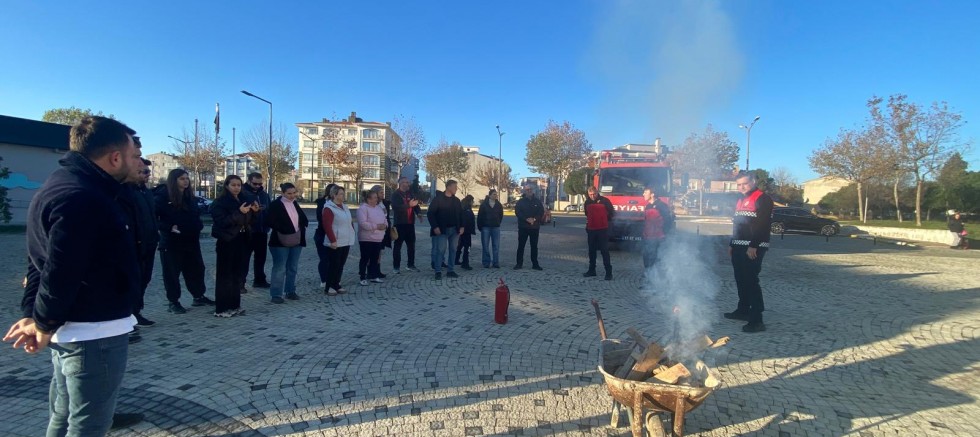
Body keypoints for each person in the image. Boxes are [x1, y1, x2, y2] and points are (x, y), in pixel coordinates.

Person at [3, 116, 143, 436]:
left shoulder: (63, 185)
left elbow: (38, 260)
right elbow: (59, 271)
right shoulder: (82, 197)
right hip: (92, 334)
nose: (139, 162)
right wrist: (42, 322)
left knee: (64, 414)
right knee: (88, 425)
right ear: (115, 158)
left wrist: (34, 316)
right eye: (134, 155)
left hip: (78, 330)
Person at [155, 168, 214, 314]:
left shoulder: (190, 198)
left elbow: (195, 215)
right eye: (182, 179)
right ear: (174, 180)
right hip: (172, 242)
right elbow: (154, 219)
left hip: (191, 241)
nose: (186, 181)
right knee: (172, 273)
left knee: (196, 269)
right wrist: (169, 227)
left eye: (187, 178)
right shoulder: (163, 197)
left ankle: (198, 296)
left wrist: (198, 225)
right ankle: (173, 302)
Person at [724, 172, 774, 333]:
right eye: (739, 185)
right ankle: (743, 310)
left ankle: (757, 319)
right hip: (738, 246)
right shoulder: (741, 200)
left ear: (753, 182)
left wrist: (754, 245)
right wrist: (732, 243)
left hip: (753, 247)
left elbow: (763, 224)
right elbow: (738, 225)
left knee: (751, 281)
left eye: (744, 183)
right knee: (740, 279)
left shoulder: (763, 199)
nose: (741, 187)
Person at [210, 175, 258, 317]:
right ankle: (222, 308)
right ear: (227, 186)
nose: (237, 188)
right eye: (233, 185)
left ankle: (235, 305)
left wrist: (254, 212)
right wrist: (239, 212)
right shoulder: (220, 202)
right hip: (227, 240)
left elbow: (249, 221)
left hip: (242, 239)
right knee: (225, 275)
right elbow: (222, 221)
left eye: (239, 185)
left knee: (237, 274)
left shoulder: (243, 200)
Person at [267, 183, 308, 303]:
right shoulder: (276, 204)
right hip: (280, 241)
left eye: (294, 193)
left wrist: (302, 226)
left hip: (296, 240)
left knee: (292, 267)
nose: (292, 195)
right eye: (289, 193)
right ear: (283, 193)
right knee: (279, 268)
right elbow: (270, 221)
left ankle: (290, 291)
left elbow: (301, 218)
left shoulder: (294, 203)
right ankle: (276, 294)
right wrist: (285, 229)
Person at [322, 185, 355, 295]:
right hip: (335, 241)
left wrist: (352, 232)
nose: (343, 196)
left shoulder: (345, 207)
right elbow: (327, 226)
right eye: (341, 194)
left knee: (341, 264)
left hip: (345, 240)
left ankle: (336, 284)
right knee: (334, 264)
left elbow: (349, 221)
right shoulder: (329, 208)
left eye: (343, 193)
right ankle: (329, 286)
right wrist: (333, 240)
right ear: (334, 195)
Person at [429, 180, 464, 280]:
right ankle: (438, 271)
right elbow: (430, 213)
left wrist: (462, 226)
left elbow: (461, 214)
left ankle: (450, 270)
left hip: (455, 230)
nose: (456, 189)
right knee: (441, 250)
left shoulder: (456, 200)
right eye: (455, 187)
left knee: (453, 250)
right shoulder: (438, 199)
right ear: (448, 187)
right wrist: (435, 227)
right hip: (442, 230)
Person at [242, 172, 272, 289]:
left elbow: (269, 210)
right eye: (255, 184)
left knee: (261, 258)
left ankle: (259, 280)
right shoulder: (242, 193)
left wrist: (267, 226)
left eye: (260, 184)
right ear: (249, 181)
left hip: (262, 231)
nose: (258, 186)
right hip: (247, 231)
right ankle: (241, 283)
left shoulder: (264, 195)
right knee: (244, 258)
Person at [390, 177, 422, 273]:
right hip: (400, 224)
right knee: (398, 246)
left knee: (411, 246)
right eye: (406, 182)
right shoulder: (395, 195)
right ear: (401, 183)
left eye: (408, 182)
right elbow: (396, 207)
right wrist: (409, 205)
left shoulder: (410, 193)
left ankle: (410, 265)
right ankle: (396, 267)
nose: (408, 184)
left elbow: (415, 205)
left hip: (410, 224)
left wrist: (418, 213)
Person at [583, 186, 615, 280]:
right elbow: (586, 214)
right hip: (591, 229)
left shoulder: (605, 201)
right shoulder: (587, 202)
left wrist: (604, 220)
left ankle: (608, 272)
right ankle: (592, 270)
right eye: (590, 195)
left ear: (597, 193)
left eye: (594, 194)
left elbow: (612, 213)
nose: (592, 196)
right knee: (591, 251)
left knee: (604, 251)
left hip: (602, 229)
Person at [357, 190, 388, 286]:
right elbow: (363, 223)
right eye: (374, 197)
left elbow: (385, 219)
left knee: (375, 258)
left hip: (378, 238)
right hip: (366, 238)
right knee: (365, 258)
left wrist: (385, 225)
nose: (376, 199)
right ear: (368, 199)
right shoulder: (363, 209)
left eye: (376, 197)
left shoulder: (379, 208)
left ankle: (374, 275)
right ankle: (362, 277)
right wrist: (376, 226)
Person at [514, 184, 546, 270]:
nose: (529, 191)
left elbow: (541, 212)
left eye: (530, 189)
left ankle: (535, 264)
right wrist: (526, 219)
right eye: (527, 189)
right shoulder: (520, 202)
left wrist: (534, 219)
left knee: (534, 247)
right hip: (523, 227)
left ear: (533, 190)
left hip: (534, 227)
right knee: (521, 246)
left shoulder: (537, 201)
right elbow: (518, 212)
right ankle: (519, 264)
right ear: (525, 191)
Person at [641, 186, 673, 270]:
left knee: (656, 258)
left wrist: (664, 234)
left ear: (652, 194)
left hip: (658, 238)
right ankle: (648, 274)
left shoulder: (662, 206)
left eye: (645, 192)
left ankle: (657, 274)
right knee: (646, 257)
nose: (643, 194)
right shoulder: (648, 206)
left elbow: (668, 222)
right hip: (648, 238)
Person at [314, 184, 338, 288]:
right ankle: (324, 279)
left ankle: (333, 279)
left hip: (336, 234)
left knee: (334, 259)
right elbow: (321, 218)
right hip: (322, 234)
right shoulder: (322, 203)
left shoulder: (339, 204)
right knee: (324, 258)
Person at [477, 189, 504, 268]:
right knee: (485, 246)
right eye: (494, 194)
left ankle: (495, 262)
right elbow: (480, 216)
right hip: (486, 227)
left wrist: (498, 222)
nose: (495, 196)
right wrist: (480, 226)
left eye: (496, 194)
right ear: (490, 195)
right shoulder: (484, 205)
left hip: (495, 227)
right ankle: (486, 262)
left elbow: (501, 215)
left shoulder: (498, 205)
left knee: (496, 246)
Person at [371, 184, 392, 278]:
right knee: (374, 252)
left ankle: (377, 270)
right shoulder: (372, 204)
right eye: (381, 192)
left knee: (379, 251)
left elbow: (386, 216)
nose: (383, 194)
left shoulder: (384, 203)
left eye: (383, 192)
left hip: (384, 230)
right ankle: (371, 271)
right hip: (375, 230)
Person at [455, 195, 476, 270]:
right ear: (470, 201)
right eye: (472, 201)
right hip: (466, 231)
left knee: (460, 245)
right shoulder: (467, 210)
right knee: (467, 246)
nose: (473, 203)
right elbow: (467, 220)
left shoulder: (464, 208)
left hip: (464, 231)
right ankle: (465, 262)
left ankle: (456, 259)